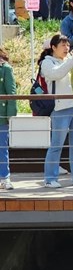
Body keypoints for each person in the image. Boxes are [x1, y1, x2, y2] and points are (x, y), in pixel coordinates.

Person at [39, 34, 73, 188]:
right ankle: (50, 178)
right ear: (53, 47)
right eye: (63, 45)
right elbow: (57, 74)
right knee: (57, 145)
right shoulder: (47, 62)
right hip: (61, 108)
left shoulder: (71, 61)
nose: (66, 48)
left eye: (68, 45)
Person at [0, 48, 17, 190]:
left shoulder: (5, 68)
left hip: (1, 115)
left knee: (2, 148)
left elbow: (11, 92)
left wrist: (10, 115)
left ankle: (5, 178)